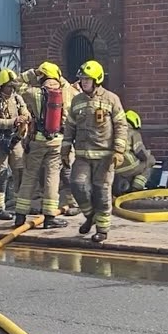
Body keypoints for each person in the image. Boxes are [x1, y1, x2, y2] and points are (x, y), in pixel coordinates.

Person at [63, 60, 127, 243]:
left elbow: (121, 125)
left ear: (97, 80)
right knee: (77, 184)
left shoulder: (111, 99)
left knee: (102, 191)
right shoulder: (77, 101)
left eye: (87, 79)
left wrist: (119, 150)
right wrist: (65, 147)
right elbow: (70, 126)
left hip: (105, 157)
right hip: (82, 156)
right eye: (82, 79)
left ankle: (102, 229)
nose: (83, 82)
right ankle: (90, 215)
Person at [12, 61, 74, 229]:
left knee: (29, 176)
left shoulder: (33, 93)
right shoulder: (65, 92)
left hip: (37, 141)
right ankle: (49, 219)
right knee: (52, 178)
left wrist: (31, 73)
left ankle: (19, 217)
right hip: (57, 142)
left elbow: (14, 84)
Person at [0, 69, 27, 219]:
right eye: (9, 86)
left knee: (20, 171)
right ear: (2, 86)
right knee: (1, 174)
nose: (12, 89)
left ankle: (19, 204)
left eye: (14, 86)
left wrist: (23, 119)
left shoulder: (17, 98)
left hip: (15, 141)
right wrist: (13, 122)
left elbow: (26, 113)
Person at [113, 109, 157, 197]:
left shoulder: (113, 131)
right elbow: (139, 151)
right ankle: (136, 188)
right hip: (127, 164)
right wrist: (147, 157)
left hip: (112, 166)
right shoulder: (133, 132)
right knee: (150, 161)